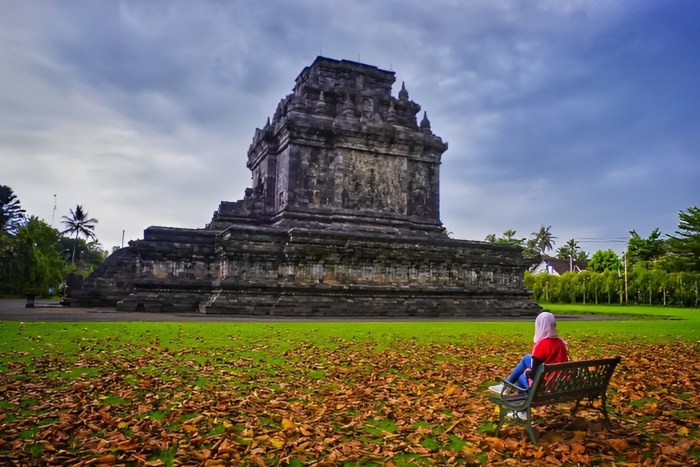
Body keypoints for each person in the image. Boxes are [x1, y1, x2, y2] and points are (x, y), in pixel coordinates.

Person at [489, 311, 569, 393]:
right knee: (527, 358)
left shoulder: (541, 345)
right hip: (560, 381)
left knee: (521, 378)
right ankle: (505, 386)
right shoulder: (561, 342)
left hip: (545, 385)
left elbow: (534, 375)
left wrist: (527, 372)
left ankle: (517, 397)